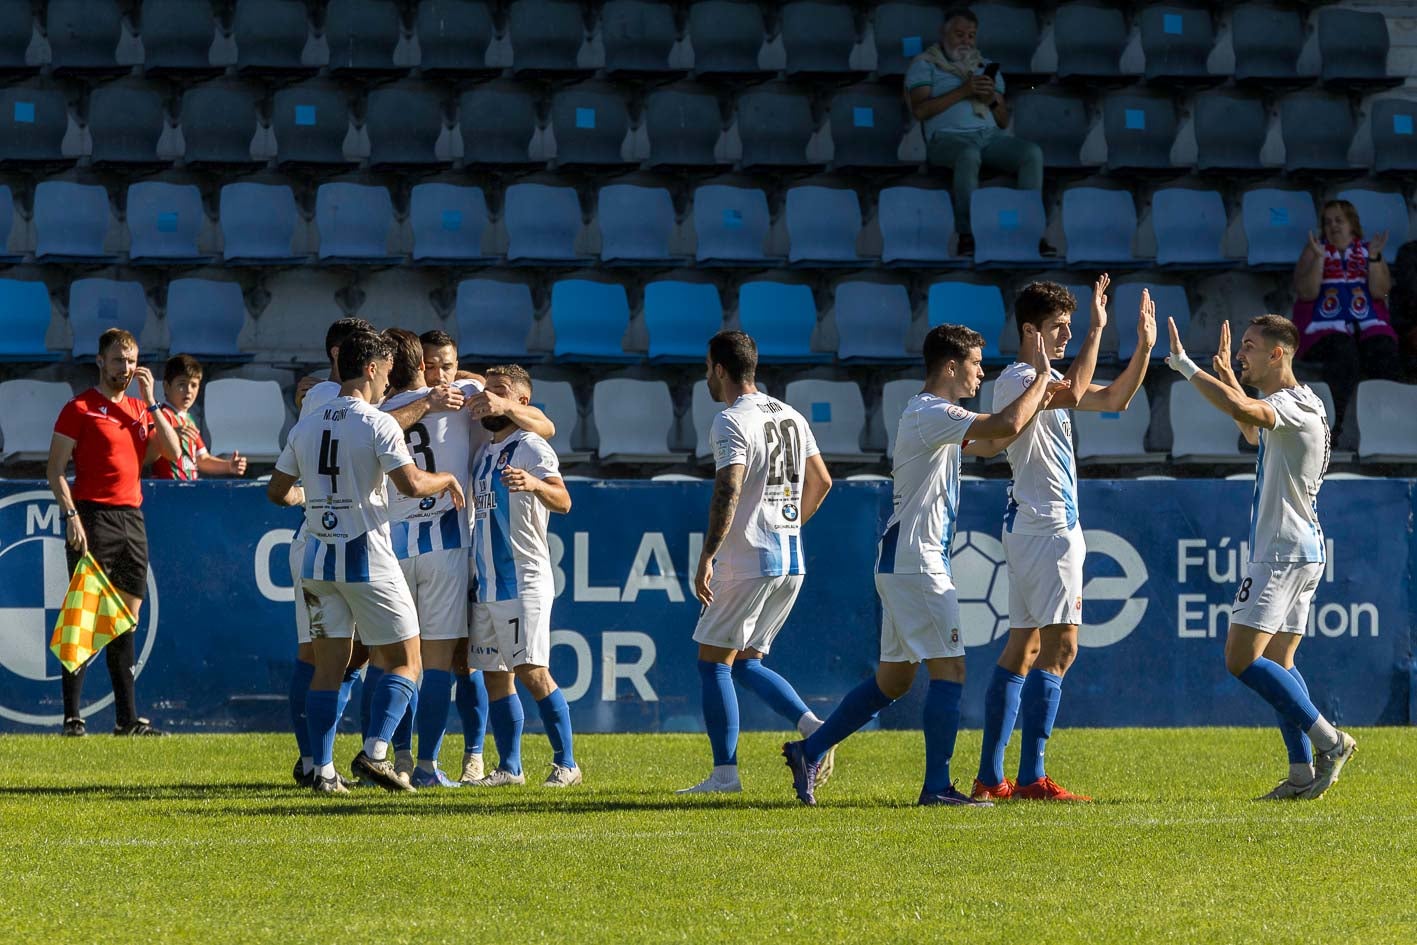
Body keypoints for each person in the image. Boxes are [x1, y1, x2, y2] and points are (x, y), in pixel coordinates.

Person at [782, 327, 1065, 807]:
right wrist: (1040, 377)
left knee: (894, 680)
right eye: (975, 362)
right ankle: (936, 787)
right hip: (918, 563)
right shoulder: (932, 412)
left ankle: (810, 749)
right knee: (951, 669)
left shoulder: (932, 416)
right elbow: (1004, 425)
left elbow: (996, 441)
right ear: (951, 367)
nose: (981, 370)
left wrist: (1033, 401)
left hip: (905, 561)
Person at [971, 277, 1155, 803]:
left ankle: (991, 778)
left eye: (1072, 327)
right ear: (1029, 329)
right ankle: (1030, 778)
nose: (1067, 335)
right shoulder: (1016, 381)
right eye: (1059, 327)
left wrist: (1142, 348)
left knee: (1023, 648)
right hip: (1046, 527)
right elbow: (1075, 391)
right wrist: (1099, 329)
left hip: (1042, 526)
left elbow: (1116, 398)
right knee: (1061, 648)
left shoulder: (1041, 381)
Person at [1165, 314, 1356, 800]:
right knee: (1278, 660)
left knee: (1240, 659)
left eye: (1249, 347)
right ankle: (1299, 773)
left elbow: (1250, 415)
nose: (1241, 354)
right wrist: (1232, 383)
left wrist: (1187, 366)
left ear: (1279, 354)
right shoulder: (1301, 402)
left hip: (1281, 552)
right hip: (1301, 548)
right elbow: (1251, 429)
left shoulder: (1293, 405)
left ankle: (1330, 742)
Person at [267, 329, 465, 794]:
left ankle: (323, 770)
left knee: (328, 667)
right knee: (407, 661)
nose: (388, 383)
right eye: (386, 373)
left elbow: (277, 492)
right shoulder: (377, 423)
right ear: (372, 369)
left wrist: (307, 497)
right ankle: (377, 754)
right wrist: (448, 478)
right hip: (367, 555)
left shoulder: (309, 422)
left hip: (318, 557)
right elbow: (412, 485)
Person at [379, 329, 555, 788]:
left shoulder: (387, 407)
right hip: (440, 542)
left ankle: (443, 758)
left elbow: (542, 422)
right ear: (419, 364)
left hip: (407, 543)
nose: (441, 374)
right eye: (433, 365)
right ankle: (418, 764)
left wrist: (495, 398)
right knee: (430, 661)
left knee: (443, 660)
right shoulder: (443, 397)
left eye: (449, 365)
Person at [677, 330, 834, 795]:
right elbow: (822, 482)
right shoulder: (790, 414)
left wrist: (708, 554)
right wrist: (789, 525)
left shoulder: (729, 419)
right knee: (744, 662)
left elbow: (728, 489)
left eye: (708, 368)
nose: (707, 376)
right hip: (790, 560)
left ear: (720, 369)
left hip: (748, 559)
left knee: (713, 664)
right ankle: (814, 728)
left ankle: (725, 776)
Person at [47, 328, 181, 737]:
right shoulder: (80, 408)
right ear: (101, 362)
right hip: (91, 516)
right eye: (118, 360)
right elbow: (54, 470)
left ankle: (127, 719)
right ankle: (72, 717)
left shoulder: (142, 409)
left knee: (127, 618)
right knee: (84, 614)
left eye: (131, 361)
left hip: (132, 518)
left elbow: (174, 454)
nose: (125, 368)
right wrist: (70, 516)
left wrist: (154, 400)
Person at [465, 365, 581, 788]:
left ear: (521, 403)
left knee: (533, 671)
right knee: (496, 675)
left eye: (498, 392)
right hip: (488, 583)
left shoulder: (530, 446)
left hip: (523, 579)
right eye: (486, 391)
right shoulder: (484, 453)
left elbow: (564, 501)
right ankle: (510, 767)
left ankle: (567, 764)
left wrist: (533, 484)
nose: (488, 399)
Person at [906, 6, 1047, 258]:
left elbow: (1003, 121)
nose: (966, 41)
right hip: (947, 138)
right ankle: (968, 234)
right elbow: (920, 111)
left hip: (989, 137)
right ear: (944, 34)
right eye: (960, 34)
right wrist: (963, 91)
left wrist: (991, 97)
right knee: (969, 154)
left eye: (971, 36)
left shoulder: (986, 67)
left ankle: (1030, 232)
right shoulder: (925, 65)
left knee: (1031, 153)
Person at [1292, 199, 1399, 435]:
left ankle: (1385, 426)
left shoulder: (1370, 250)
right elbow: (1306, 292)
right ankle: (1335, 426)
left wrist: (1373, 258)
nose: (1333, 226)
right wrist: (1320, 259)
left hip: (1367, 324)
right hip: (1322, 329)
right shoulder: (1314, 249)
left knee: (1384, 349)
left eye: (1339, 220)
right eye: (1328, 222)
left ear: (1352, 224)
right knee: (1343, 351)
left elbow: (1380, 292)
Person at [148, 354, 247, 480]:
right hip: (168, 488)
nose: (189, 390)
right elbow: (148, 452)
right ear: (166, 386)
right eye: (182, 384)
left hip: (190, 488)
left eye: (194, 385)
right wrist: (170, 435)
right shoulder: (161, 417)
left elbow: (202, 459)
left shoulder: (188, 419)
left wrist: (228, 466)